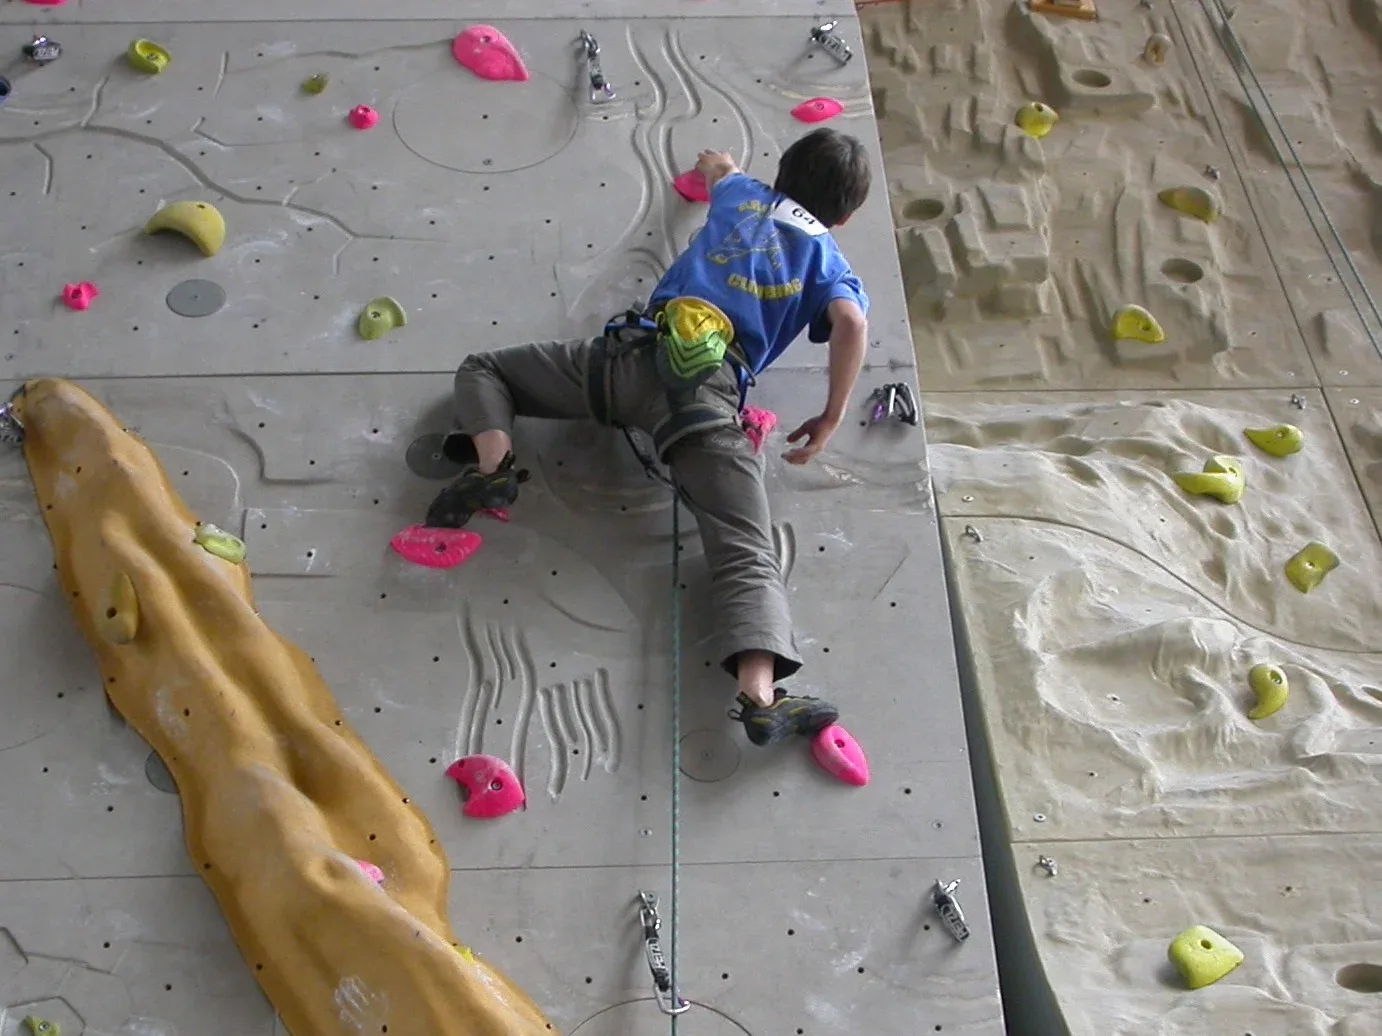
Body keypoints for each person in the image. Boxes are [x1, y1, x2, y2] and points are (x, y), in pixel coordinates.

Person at [424, 127, 873, 748]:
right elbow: (849, 322)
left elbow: (718, 166)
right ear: (848, 216)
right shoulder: (831, 262)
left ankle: (494, 467)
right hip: (701, 402)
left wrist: (714, 167)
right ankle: (760, 697)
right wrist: (829, 416)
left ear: (782, 174)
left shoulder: (743, 196)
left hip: (628, 361)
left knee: (486, 369)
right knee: (743, 548)